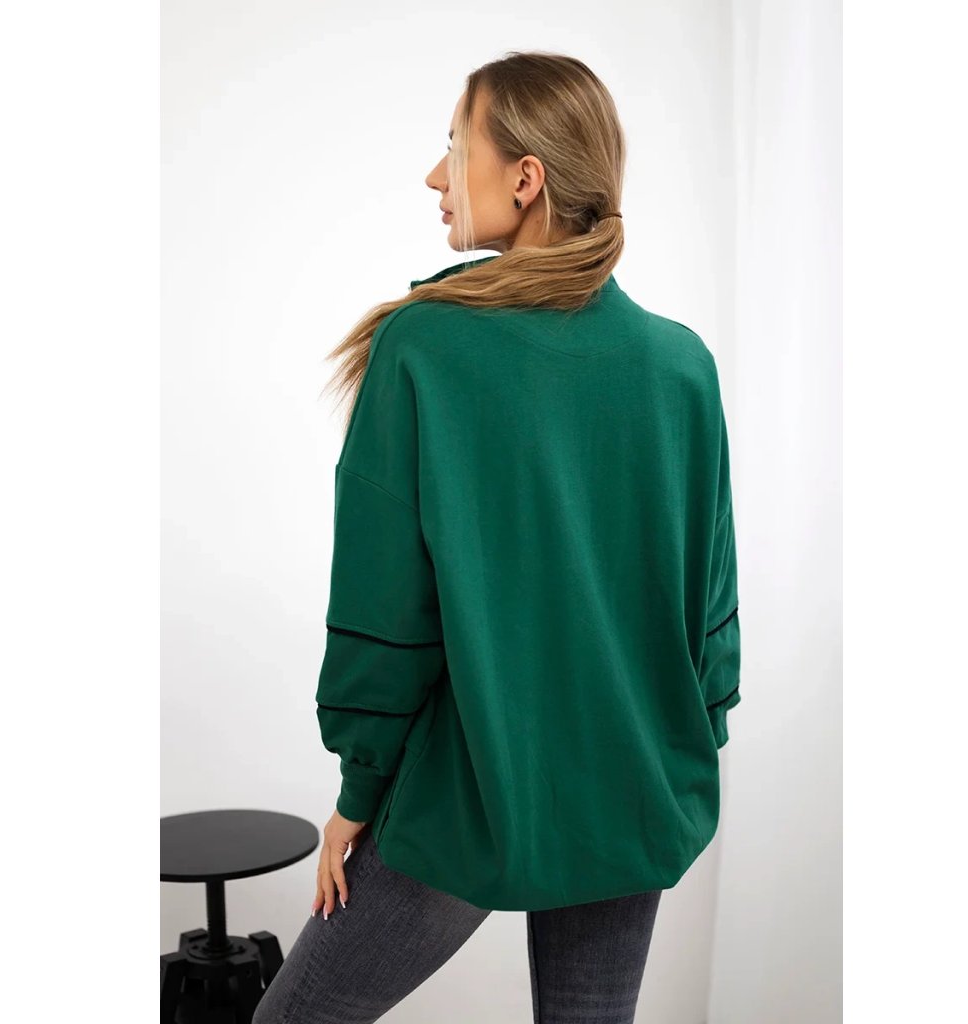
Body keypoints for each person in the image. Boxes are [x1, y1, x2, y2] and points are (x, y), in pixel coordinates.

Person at [254, 49, 741, 1024]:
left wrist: (359, 791)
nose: (436, 174)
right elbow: (709, 611)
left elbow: (385, 603)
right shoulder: (682, 366)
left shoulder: (423, 347)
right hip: (630, 784)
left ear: (525, 179)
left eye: (454, 145)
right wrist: (676, 743)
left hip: (469, 788)